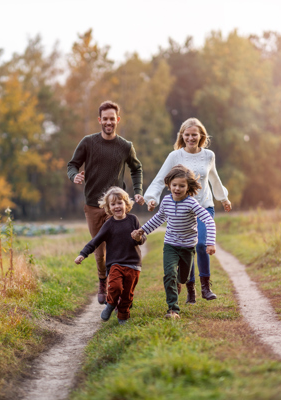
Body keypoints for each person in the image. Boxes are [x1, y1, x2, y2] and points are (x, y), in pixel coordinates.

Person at [143, 118, 231, 304]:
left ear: (201, 136)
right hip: (183, 208)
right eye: (187, 134)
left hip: (204, 205)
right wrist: (151, 198)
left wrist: (223, 198)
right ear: (182, 136)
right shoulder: (175, 156)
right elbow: (161, 178)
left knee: (201, 244)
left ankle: (206, 287)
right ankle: (191, 290)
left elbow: (214, 178)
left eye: (194, 134)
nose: (191, 138)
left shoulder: (209, 155)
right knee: (187, 247)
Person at [68, 101, 145, 304]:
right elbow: (72, 164)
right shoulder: (88, 142)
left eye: (112, 118)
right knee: (100, 249)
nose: (109, 122)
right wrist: (74, 175)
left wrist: (137, 192)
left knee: (120, 246)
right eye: (105, 118)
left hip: (116, 207)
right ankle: (103, 280)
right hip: (93, 205)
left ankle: (117, 282)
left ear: (117, 120)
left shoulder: (125, 146)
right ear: (99, 120)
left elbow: (136, 168)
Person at [132, 165, 216, 320]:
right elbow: (159, 218)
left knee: (182, 278)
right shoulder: (166, 201)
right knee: (169, 274)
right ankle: (173, 310)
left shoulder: (191, 203)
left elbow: (208, 220)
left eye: (182, 186)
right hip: (170, 244)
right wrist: (142, 230)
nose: (177, 188)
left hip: (187, 246)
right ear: (169, 185)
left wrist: (210, 242)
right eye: (174, 185)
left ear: (188, 186)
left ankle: (179, 283)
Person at [75, 187, 146, 325]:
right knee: (115, 287)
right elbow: (95, 241)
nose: (117, 206)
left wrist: (138, 238)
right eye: (113, 204)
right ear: (108, 207)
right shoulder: (109, 224)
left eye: (120, 203)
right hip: (115, 264)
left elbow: (143, 239)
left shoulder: (133, 220)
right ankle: (111, 304)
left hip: (133, 264)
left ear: (126, 204)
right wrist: (83, 254)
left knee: (127, 294)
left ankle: (123, 317)